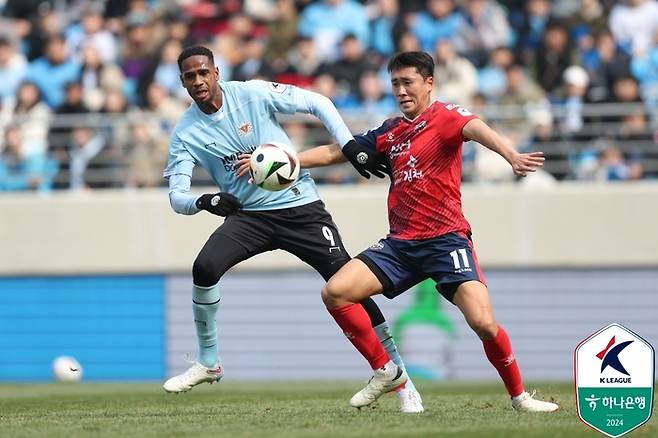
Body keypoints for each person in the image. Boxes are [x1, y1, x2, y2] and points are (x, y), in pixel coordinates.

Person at [161, 46, 423, 413]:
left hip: (300, 209)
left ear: (216, 72)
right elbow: (176, 196)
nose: (199, 81)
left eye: (204, 73)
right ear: (183, 83)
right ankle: (209, 362)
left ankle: (402, 380)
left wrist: (348, 146)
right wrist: (205, 202)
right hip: (249, 215)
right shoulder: (186, 132)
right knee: (204, 268)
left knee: (351, 286)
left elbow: (317, 102)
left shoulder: (251, 93)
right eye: (190, 77)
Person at [296, 51, 560, 412]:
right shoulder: (389, 131)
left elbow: (476, 127)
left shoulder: (446, 117)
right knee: (336, 292)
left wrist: (510, 154)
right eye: (395, 84)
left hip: (446, 240)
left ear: (429, 82)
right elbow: (337, 151)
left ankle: (518, 397)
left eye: (408, 82)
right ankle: (387, 372)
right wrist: (291, 159)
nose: (401, 91)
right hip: (401, 245)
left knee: (483, 323)